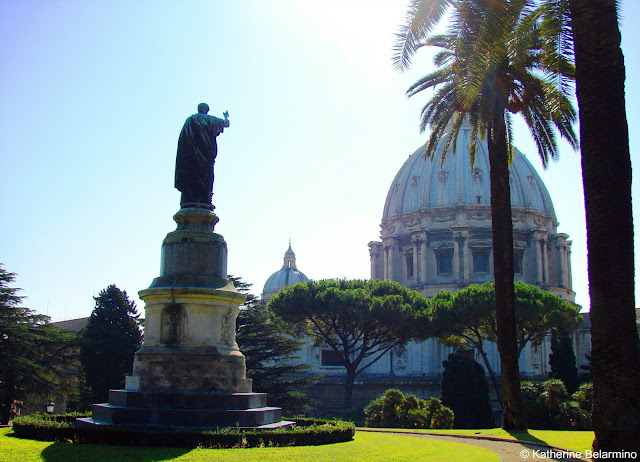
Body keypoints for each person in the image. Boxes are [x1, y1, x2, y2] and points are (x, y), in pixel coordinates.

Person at [175, 103, 230, 207]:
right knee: (206, 176)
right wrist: (226, 116)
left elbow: (183, 141)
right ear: (207, 110)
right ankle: (205, 198)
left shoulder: (190, 120)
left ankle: (190, 199)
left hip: (191, 157)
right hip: (207, 156)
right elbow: (226, 124)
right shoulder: (212, 120)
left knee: (191, 176)